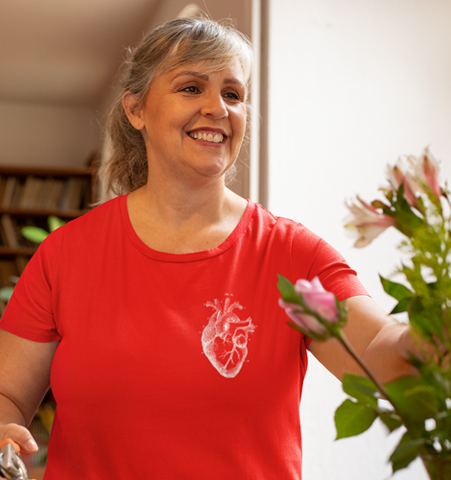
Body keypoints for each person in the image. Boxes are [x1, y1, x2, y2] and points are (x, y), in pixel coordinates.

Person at [0, 17, 418, 479]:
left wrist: (434, 333)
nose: (218, 108)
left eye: (233, 94)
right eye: (191, 88)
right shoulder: (65, 255)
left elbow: (383, 354)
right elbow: (8, 394)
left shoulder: (293, 254)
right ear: (136, 110)